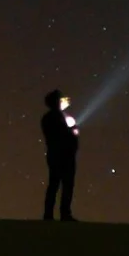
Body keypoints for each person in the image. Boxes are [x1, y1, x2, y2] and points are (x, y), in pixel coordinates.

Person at [40, 89, 79, 221]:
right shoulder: (53, 118)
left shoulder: (51, 117)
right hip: (61, 155)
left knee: (56, 184)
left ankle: (51, 214)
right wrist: (72, 130)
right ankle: (62, 214)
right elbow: (60, 134)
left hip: (59, 155)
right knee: (61, 184)